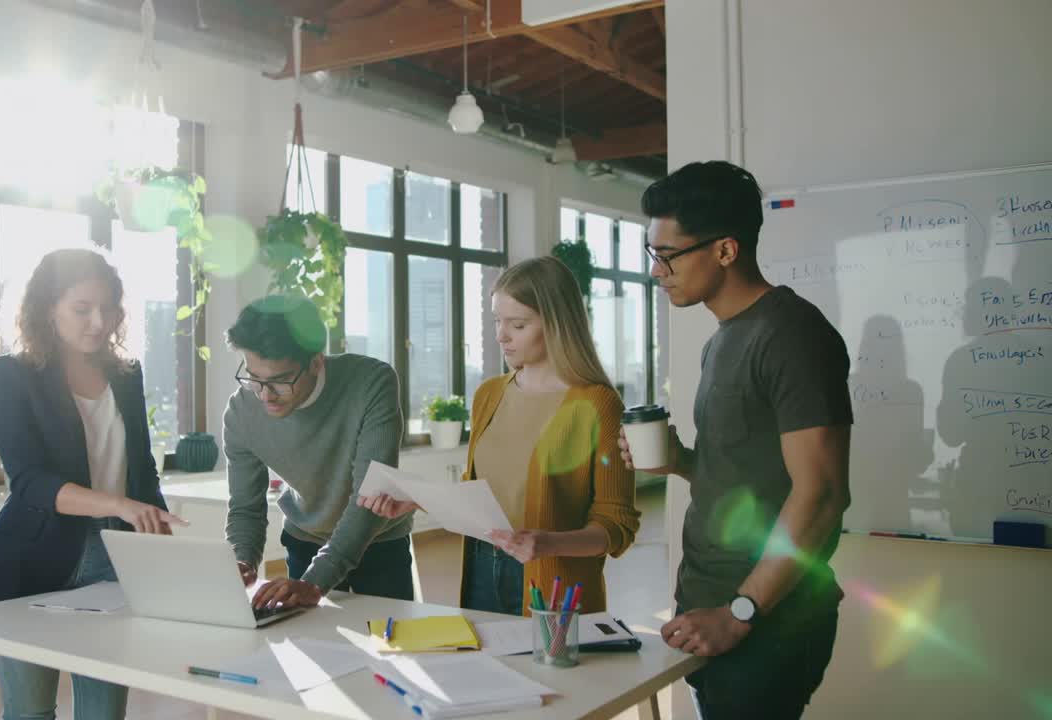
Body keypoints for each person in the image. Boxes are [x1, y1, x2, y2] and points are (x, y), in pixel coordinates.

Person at [620, 161, 853, 719]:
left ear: (725, 250)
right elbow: (744, 477)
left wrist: (741, 611)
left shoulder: (792, 334)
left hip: (766, 617)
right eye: (653, 254)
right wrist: (679, 462)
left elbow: (821, 494)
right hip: (711, 603)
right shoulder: (722, 340)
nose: (657, 271)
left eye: (668, 255)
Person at [0, 248, 185, 720]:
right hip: (28, 566)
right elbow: (29, 483)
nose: (98, 322)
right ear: (48, 309)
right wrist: (119, 504)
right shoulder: (12, 373)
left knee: (104, 714)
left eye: (107, 309)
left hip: (113, 560)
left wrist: (159, 542)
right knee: (31, 713)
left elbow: (141, 468)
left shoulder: (127, 375)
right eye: (82, 310)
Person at [363, 257, 640, 616]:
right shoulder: (489, 394)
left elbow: (616, 525)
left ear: (557, 323)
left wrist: (549, 543)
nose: (500, 336)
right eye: (497, 321)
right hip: (480, 566)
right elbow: (480, 496)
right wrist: (417, 500)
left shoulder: (599, 404)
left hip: (551, 585)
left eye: (518, 324)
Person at [222, 295, 412, 610]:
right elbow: (245, 508)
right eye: (254, 378)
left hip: (377, 544)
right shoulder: (241, 411)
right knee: (314, 650)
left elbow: (368, 496)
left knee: (392, 648)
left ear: (316, 361)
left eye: (281, 381)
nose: (265, 395)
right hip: (305, 540)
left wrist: (315, 582)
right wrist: (242, 563)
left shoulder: (371, 383)